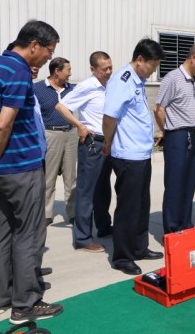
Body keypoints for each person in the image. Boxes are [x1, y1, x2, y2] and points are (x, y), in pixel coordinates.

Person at [0, 20, 64, 323]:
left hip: (2, 172)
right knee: (29, 235)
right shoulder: (19, 70)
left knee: (1, 232)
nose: (49, 57)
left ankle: (1, 297)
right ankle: (25, 305)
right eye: (48, 51)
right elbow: (3, 124)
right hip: (20, 167)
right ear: (34, 45)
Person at [102, 38, 165, 276]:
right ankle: (122, 256)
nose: (153, 71)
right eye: (152, 65)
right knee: (128, 208)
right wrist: (107, 142)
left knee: (141, 205)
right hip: (127, 154)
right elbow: (110, 117)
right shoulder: (122, 80)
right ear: (140, 59)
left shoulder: (138, 80)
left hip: (141, 153)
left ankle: (139, 247)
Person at [54, 52, 114, 253]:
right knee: (86, 192)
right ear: (93, 69)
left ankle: (104, 226)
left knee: (103, 189)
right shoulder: (87, 86)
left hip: (107, 144)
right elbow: (61, 107)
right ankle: (82, 238)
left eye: (110, 67)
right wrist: (79, 125)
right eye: (104, 69)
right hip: (92, 144)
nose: (108, 72)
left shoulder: (109, 85)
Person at [154, 44, 195, 234]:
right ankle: (172, 229)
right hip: (178, 135)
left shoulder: (194, 81)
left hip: (193, 136)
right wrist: (167, 131)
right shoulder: (173, 78)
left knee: (189, 183)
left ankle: (185, 224)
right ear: (194, 58)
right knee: (175, 184)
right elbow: (159, 109)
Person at [34, 57, 78, 226]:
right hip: (50, 134)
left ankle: (73, 212)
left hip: (70, 134)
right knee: (49, 176)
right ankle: (46, 213)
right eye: (68, 70)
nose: (70, 74)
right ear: (57, 71)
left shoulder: (71, 89)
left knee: (71, 177)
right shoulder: (38, 88)